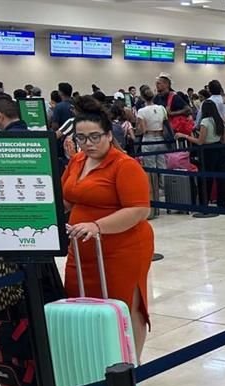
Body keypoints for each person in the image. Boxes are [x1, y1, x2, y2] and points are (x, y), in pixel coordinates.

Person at [61, 96, 153, 361]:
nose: (88, 144)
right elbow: (67, 198)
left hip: (123, 248)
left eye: (94, 137)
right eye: (81, 138)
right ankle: (98, 361)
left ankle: (130, 368)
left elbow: (139, 210)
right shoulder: (77, 162)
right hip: (82, 251)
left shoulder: (124, 166)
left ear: (109, 135)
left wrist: (97, 226)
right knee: (86, 305)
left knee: (125, 306)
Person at [176, 99, 225, 209]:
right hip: (220, 149)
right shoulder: (220, 120)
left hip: (208, 151)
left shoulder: (205, 122)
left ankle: (204, 202)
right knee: (221, 178)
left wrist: (186, 136)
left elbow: (200, 141)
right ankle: (222, 203)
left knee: (206, 179)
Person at [134, 85, 169, 216]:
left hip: (148, 139)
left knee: (151, 170)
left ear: (142, 97)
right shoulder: (161, 108)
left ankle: (155, 200)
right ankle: (168, 194)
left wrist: (134, 131)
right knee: (163, 168)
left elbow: (141, 130)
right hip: (161, 138)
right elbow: (166, 124)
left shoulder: (142, 111)